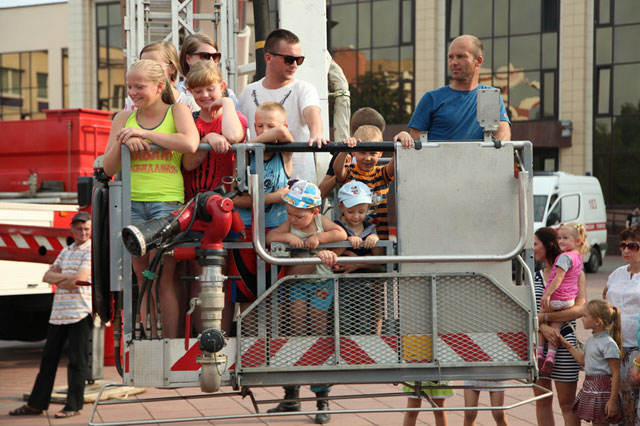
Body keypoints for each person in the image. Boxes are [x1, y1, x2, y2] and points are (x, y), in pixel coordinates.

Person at [103, 59, 199, 338]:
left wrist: (143, 134)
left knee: (163, 277)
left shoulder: (177, 110)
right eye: (129, 85)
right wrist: (123, 142)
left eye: (139, 86)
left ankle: (168, 343)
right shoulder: (123, 118)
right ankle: (148, 340)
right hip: (132, 203)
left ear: (159, 86)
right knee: (143, 277)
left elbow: (190, 143)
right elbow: (108, 168)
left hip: (166, 202)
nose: (132, 92)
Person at [265, 180, 347, 424]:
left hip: (321, 284)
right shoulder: (290, 224)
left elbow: (341, 233)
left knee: (319, 332)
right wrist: (289, 236)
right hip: (298, 282)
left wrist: (319, 239)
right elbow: (270, 236)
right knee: (296, 331)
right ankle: (291, 395)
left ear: (314, 212)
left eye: (298, 216)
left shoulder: (321, 222)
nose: (293, 219)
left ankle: (322, 399)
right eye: (290, 214)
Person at [179, 60, 248, 333]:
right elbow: (188, 163)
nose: (205, 96)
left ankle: (224, 335)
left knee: (226, 275)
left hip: (227, 206)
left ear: (221, 87)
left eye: (210, 89)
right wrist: (208, 141)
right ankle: (201, 337)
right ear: (191, 93)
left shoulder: (231, 115)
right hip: (197, 206)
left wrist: (228, 104)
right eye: (198, 92)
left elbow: (234, 134)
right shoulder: (191, 122)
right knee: (200, 274)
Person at [9, 212, 92, 419]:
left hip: (80, 313)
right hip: (58, 315)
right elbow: (46, 276)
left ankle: (73, 405)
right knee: (48, 361)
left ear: (91, 230)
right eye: (79, 228)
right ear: (72, 230)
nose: (83, 232)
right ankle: (36, 405)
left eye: (87, 229)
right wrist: (68, 278)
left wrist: (61, 278)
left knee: (77, 362)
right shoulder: (66, 251)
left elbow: (79, 280)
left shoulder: (91, 251)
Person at [238, 28, 328, 184]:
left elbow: (312, 112)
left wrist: (317, 133)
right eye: (289, 59)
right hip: (259, 182)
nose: (294, 65)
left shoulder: (304, 89)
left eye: (298, 60)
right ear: (268, 58)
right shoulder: (248, 92)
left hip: (298, 183)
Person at [229, 101, 293, 311]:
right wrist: (273, 197)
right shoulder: (243, 157)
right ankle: (249, 343)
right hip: (245, 229)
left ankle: (276, 343)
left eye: (270, 126)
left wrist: (252, 143)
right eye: (259, 126)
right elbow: (236, 199)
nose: (265, 131)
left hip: (276, 230)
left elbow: (283, 134)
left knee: (277, 294)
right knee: (246, 294)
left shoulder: (284, 154)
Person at [408, 34, 511, 142]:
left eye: (460, 56)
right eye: (450, 57)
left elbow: (503, 135)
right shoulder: (432, 98)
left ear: (479, 61)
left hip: (479, 158)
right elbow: (412, 146)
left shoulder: (490, 96)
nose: (453, 63)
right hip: (438, 158)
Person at [532, 226, 585, 426]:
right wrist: (542, 326)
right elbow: (526, 313)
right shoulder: (533, 276)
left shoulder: (575, 270)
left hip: (565, 344)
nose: (533, 248)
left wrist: (543, 319)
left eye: (536, 244)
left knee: (567, 403)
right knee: (542, 400)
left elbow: (581, 309)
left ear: (548, 245)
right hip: (538, 344)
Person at [333, 125, 412, 240]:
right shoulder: (350, 172)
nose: (368, 158)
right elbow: (337, 170)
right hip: (351, 237)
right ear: (354, 152)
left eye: (373, 153)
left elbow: (396, 162)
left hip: (378, 237)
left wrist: (402, 136)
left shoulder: (382, 173)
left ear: (380, 153)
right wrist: (345, 150)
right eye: (363, 152)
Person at [559, 299, 623, 425]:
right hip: (590, 386)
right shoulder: (591, 339)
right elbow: (583, 360)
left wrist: (612, 400)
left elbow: (616, 373)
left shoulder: (608, 344)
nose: (582, 318)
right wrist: (567, 345)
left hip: (602, 390)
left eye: (585, 316)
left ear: (597, 321)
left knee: (600, 422)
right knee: (596, 422)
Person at [538, 222, 589, 376]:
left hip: (557, 298)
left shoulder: (564, 258)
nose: (560, 241)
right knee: (556, 326)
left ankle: (539, 354)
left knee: (541, 319)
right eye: (559, 238)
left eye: (565, 238)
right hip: (568, 300)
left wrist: (547, 295)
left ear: (577, 241)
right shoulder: (578, 258)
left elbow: (558, 278)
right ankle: (550, 357)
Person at [333, 180, 383, 335]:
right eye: (350, 211)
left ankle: (371, 342)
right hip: (341, 284)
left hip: (365, 284)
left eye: (361, 212)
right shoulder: (336, 227)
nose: (356, 216)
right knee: (343, 319)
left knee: (366, 317)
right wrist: (345, 239)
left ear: (368, 208)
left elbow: (379, 258)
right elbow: (332, 253)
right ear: (341, 206)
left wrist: (375, 240)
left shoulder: (370, 228)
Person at [603, 224, 640, 424]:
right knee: (616, 399)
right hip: (613, 344)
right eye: (623, 245)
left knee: (632, 399)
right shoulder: (617, 273)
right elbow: (604, 297)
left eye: (633, 246)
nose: (626, 250)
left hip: (636, 345)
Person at [124, 41, 200, 112]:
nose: (146, 70)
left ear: (172, 68)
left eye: (154, 66)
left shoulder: (188, 103)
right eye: (142, 65)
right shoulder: (135, 100)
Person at [178, 33, 239, 107]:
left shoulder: (227, 94)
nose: (211, 61)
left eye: (215, 56)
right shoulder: (176, 92)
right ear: (188, 59)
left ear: (222, 86)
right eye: (205, 56)